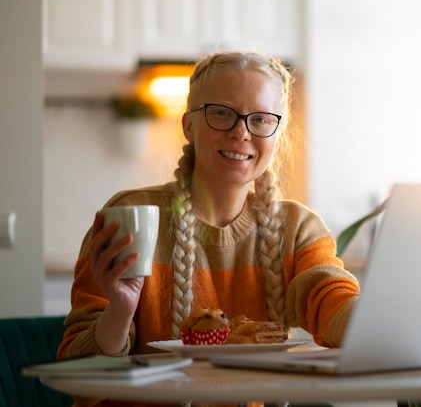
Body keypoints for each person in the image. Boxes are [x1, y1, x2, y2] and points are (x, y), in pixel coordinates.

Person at [57, 51, 360, 407]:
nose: (240, 132)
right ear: (188, 125)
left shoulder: (298, 229)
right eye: (221, 113)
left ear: (276, 134)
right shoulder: (131, 217)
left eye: (260, 119)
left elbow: (330, 296)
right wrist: (119, 312)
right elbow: (79, 380)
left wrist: (371, 319)